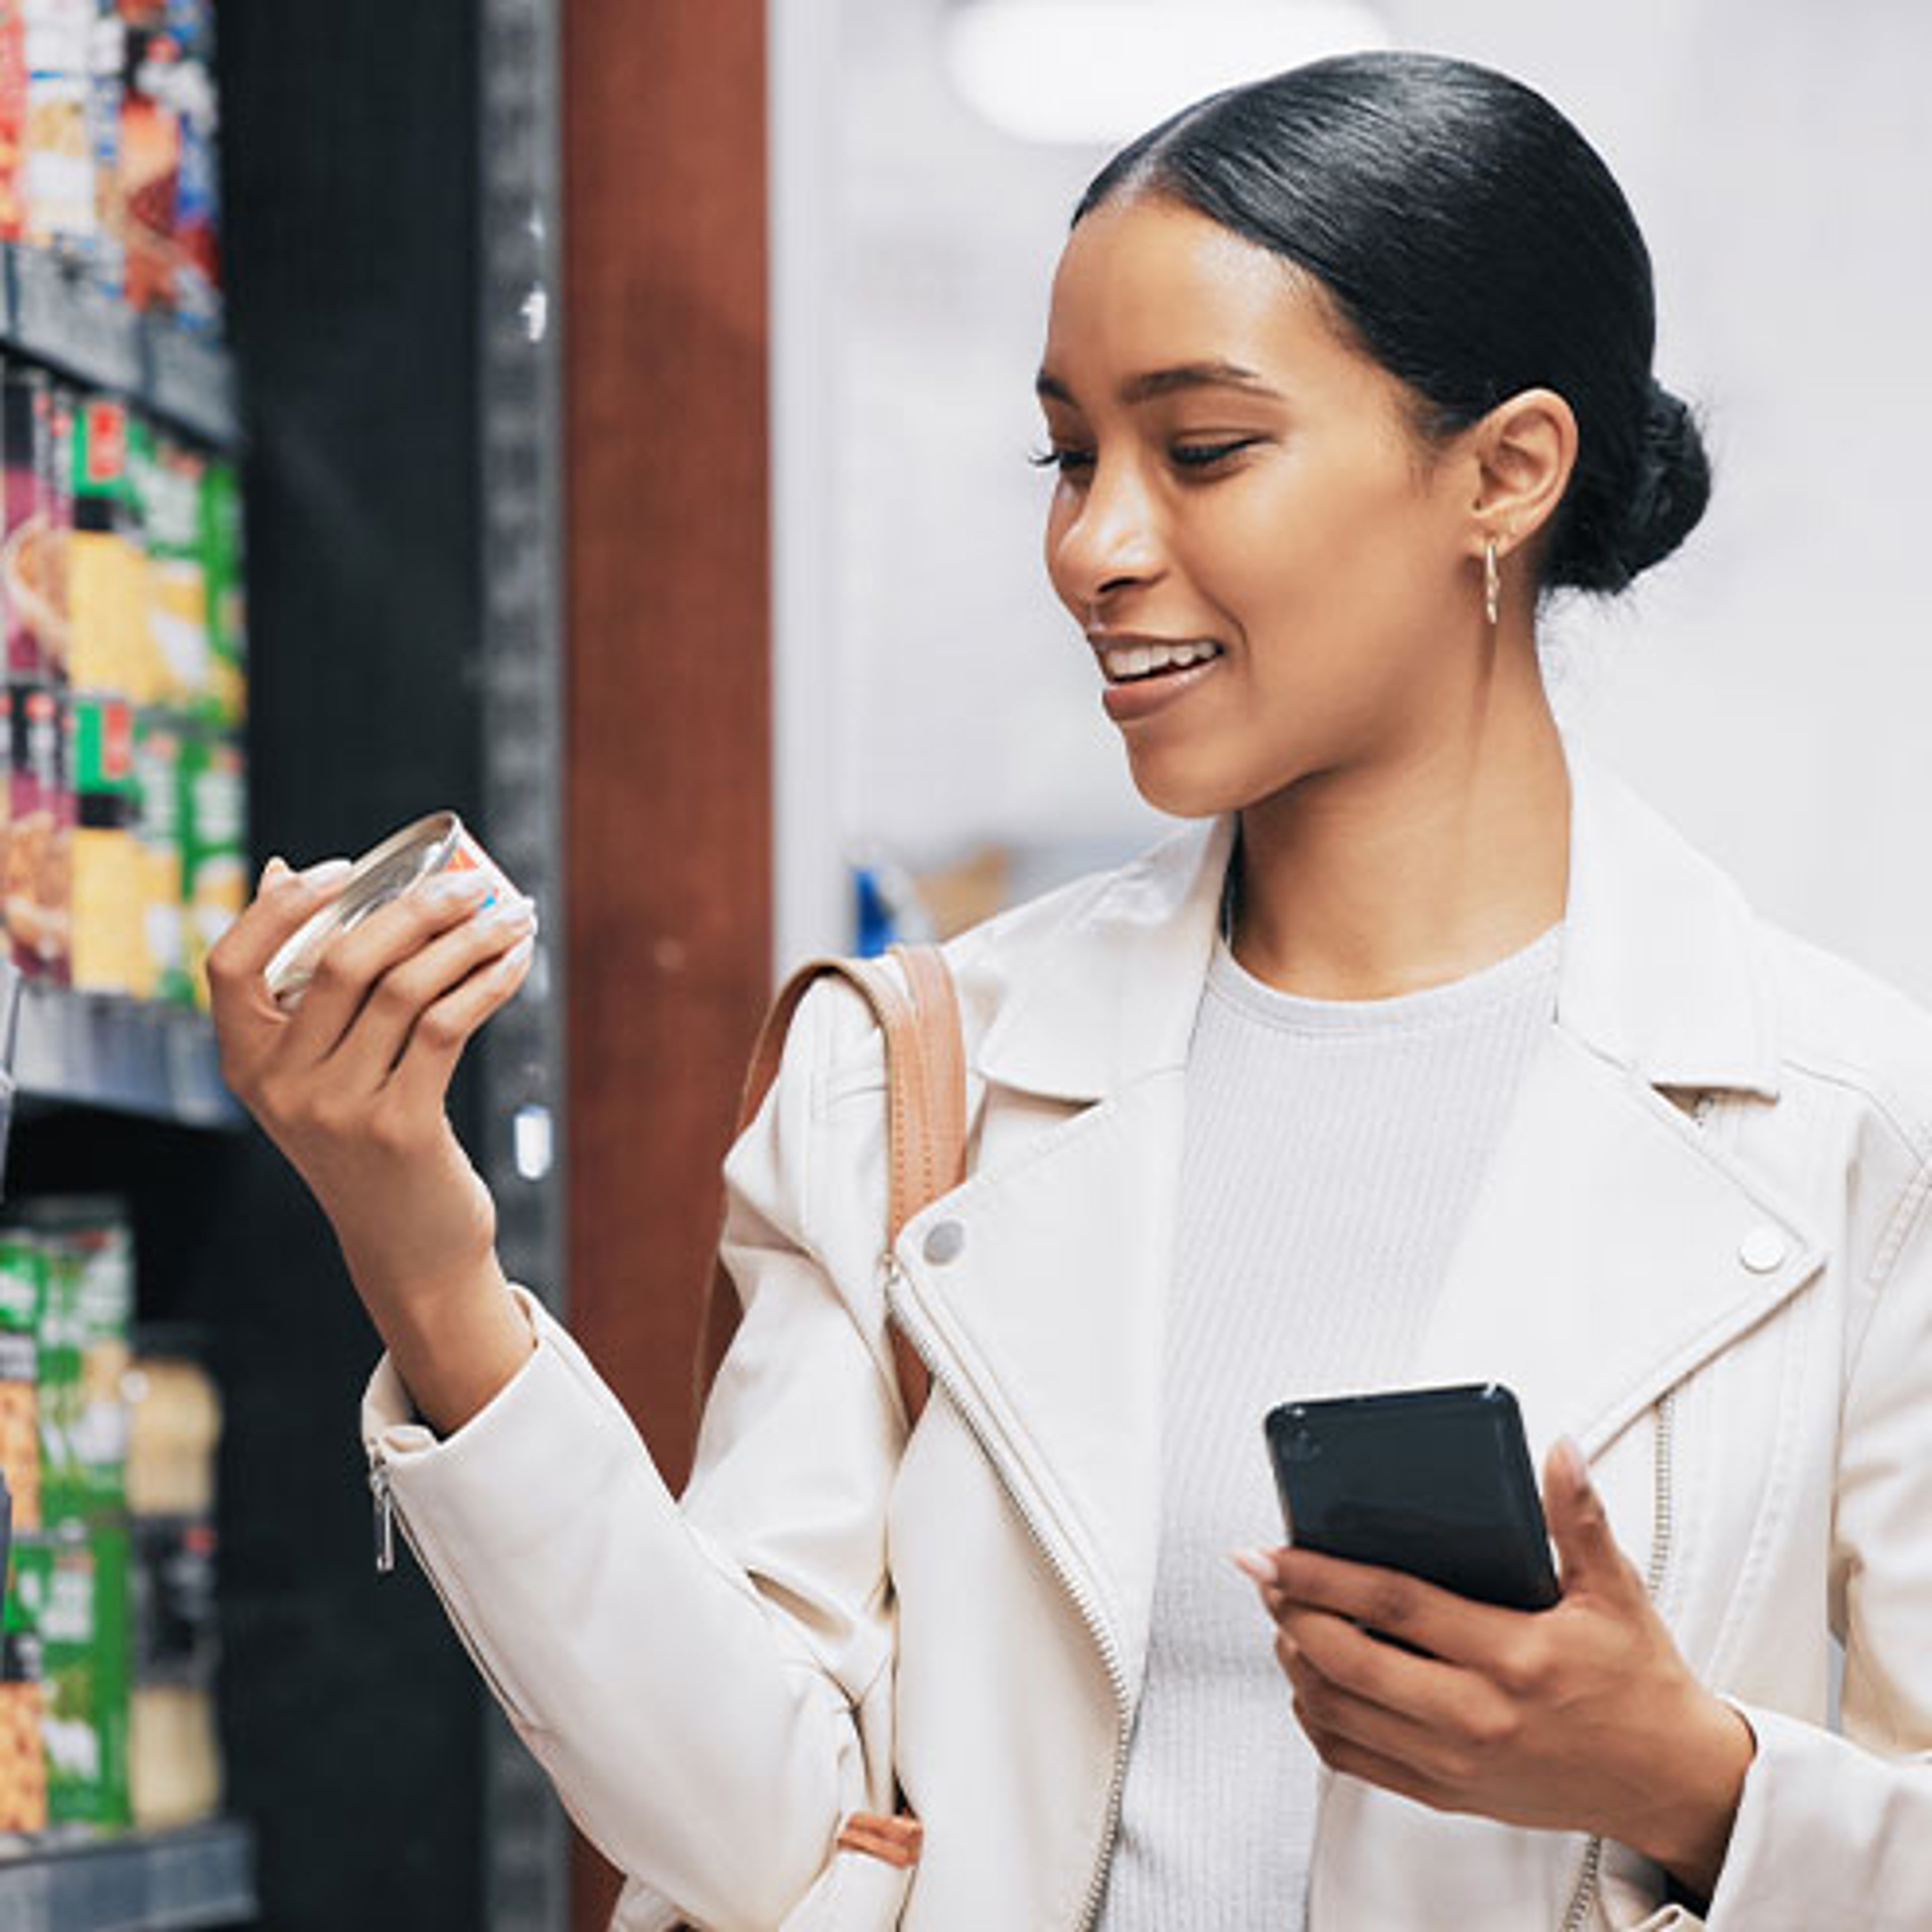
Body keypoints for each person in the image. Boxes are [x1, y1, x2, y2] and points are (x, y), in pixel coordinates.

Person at [207, 49, 1932, 1932]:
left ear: (1505, 472)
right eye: (1070, 453)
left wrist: (1686, 1780)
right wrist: (426, 1256)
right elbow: (743, 1827)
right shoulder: (909, 1082)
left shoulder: (1849, 1132)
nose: (1095, 546)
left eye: (1202, 450)